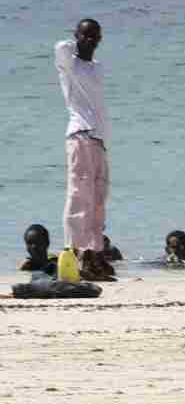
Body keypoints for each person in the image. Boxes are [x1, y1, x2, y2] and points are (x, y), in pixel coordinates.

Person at [55, 19, 114, 281]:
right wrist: (76, 40)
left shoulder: (97, 68)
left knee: (98, 200)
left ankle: (94, 255)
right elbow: (60, 47)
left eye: (95, 36)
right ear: (77, 36)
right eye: (86, 35)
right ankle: (73, 254)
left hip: (99, 140)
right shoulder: (70, 64)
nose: (91, 40)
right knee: (79, 197)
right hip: (79, 135)